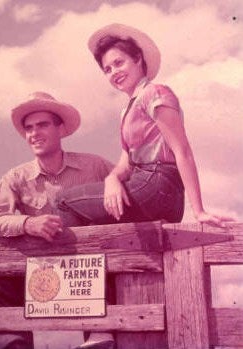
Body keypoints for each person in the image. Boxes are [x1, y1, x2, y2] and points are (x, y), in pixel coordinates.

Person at [56, 23, 232, 349]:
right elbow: (124, 162)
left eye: (119, 63)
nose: (113, 72)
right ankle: (103, 325)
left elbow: (182, 149)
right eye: (107, 69)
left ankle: (95, 324)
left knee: (65, 203)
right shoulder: (128, 107)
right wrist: (110, 179)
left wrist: (200, 209)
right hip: (149, 185)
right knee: (106, 235)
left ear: (139, 60)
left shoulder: (155, 93)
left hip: (157, 183)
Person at [0, 91, 113, 349]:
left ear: (61, 129)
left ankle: (101, 336)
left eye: (42, 125)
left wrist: (116, 181)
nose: (34, 133)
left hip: (89, 275)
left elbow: (130, 182)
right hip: (41, 277)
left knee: (118, 270)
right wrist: (27, 224)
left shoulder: (94, 166)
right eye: (28, 128)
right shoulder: (16, 177)